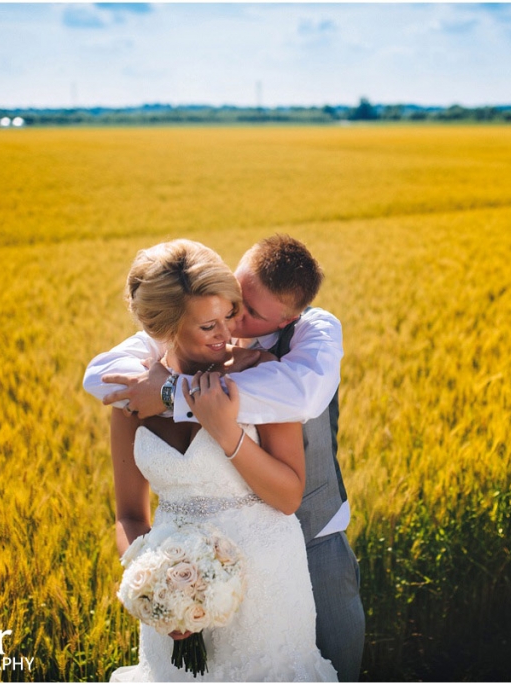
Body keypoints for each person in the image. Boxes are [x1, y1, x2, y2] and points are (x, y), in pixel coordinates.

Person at [84, 235, 365, 682]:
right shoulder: (132, 396)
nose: (229, 331)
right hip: (172, 607)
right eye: (210, 324)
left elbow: (290, 493)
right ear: (167, 327)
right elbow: (129, 515)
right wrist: (157, 583)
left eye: (230, 315)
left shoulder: (267, 372)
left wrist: (217, 423)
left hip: (270, 592)